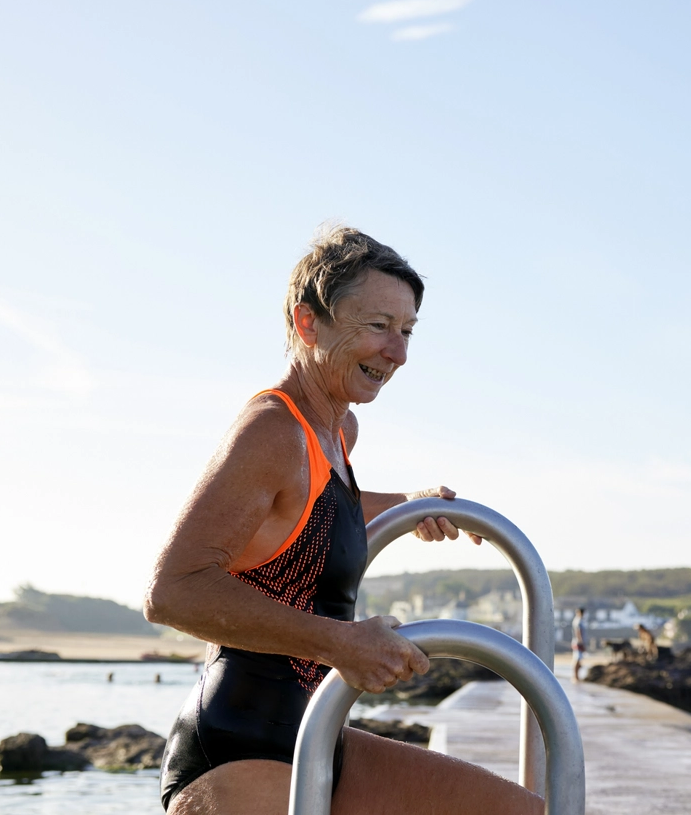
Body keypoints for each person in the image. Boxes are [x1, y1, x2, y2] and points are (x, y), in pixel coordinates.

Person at [145, 226, 540, 815]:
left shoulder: (335, 430)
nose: (399, 352)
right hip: (238, 751)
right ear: (309, 324)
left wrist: (414, 503)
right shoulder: (271, 431)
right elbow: (173, 591)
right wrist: (344, 643)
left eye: (406, 332)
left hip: (316, 736)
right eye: (378, 327)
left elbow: (312, 512)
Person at [571, 608, 587, 682]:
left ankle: (576, 676)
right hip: (578, 642)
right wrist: (581, 642)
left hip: (577, 641)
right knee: (577, 659)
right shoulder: (578, 621)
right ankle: (575, 677)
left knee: (579, 659)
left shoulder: (579, 620)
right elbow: (578, 632)